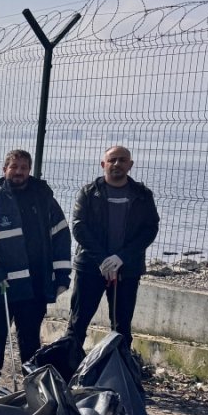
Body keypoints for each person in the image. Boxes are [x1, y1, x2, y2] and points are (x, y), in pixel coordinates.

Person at [0, 149, 72, 395]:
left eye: (23, 167)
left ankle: (32, 381)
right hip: (0, 284)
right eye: (13, 167)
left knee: (30, 338)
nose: (18, 172)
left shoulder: (44, 199)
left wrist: (62, 275)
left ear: (30, 170)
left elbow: (61, 236)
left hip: (34, 284)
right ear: (4, 169)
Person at [65, 145, 159, 351]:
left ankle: (120, 372)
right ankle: (67, 369)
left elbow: (150, 229)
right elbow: (79, 227)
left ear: (130, 165)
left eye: (122, 160)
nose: (117, 164)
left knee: (122, 326)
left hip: (127, 270)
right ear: (103, 164)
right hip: (90, 268)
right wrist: (102, 260)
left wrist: (121, 258)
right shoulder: (88, 193)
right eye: (112, 160)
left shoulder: (142, 195)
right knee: (78, 322)